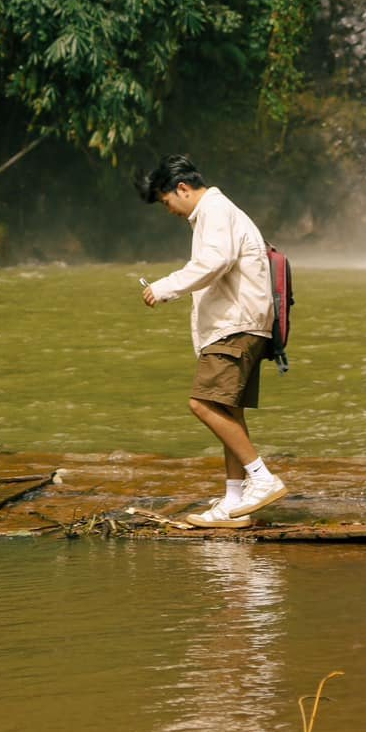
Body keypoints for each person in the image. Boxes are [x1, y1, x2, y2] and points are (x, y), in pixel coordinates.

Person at [138, 152, 288, 528]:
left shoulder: (215, 212)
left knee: (202, 405)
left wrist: (165, 287)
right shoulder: (219, 211)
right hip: (244, 325)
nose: (168, 209)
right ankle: (234, 503)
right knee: (227, 412)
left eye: (166, 200)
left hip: (234, 326)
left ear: (182, 188)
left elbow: (214, 262)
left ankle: (263, 478)